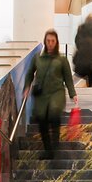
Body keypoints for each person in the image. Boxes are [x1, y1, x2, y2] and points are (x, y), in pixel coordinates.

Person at [24, 29, 77, 161]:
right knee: (42, 121)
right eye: (48, 41)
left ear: (56, 42)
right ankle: (48, 150)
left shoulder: (62, 59)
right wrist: (26, 87)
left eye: (53, 41)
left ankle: (55, 147)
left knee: (54, 115)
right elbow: (30, 73)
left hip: (57, 93)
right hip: (42, 95)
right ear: (45, 41)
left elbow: (68, 78)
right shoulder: (38, 58)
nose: (50, 43)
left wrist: (73, 93)